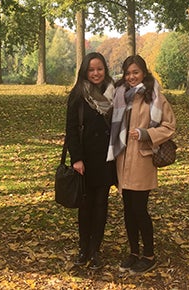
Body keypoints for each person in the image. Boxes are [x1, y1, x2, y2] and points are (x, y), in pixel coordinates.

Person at [107, 55, 176, 275]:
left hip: (142, 160)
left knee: (139, 209)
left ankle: (149, 255)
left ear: (144, 73)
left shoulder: (154, 96)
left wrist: (147, 133)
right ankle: (134, 252)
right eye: (127, 73)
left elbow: (169, 126)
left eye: (135, 72)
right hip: (123, 159)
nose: (131, 77)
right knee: (128, 209)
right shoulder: (120, 95)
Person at [65, 52, 117, 269]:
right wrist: (76, 158)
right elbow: (71, 130)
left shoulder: (114, 94)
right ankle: (83, 248)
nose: (96, 73)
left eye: (100, 69)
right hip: (84, 161)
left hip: (106, 159)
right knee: (85, 207)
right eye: (92, 70)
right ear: (85, 72)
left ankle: (96, 249)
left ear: (105, 70)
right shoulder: (78, 95)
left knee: (101, 205)